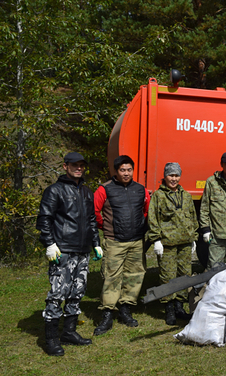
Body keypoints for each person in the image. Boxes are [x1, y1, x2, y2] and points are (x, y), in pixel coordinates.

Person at [36, 152, 102, 356]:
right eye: (74, 165)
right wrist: (49, 244)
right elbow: (44, 219)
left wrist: (96, 244)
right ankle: (52, 339)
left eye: (82, 165)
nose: (79, 168)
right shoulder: (54, 190)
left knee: (77, 292)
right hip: (62, 250)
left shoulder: (86, 191)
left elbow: (91, 219)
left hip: (82, 251)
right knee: (58, 293)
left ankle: (69, 332)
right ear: (65, 166)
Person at [93, 155, 150, 335]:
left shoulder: (141, 189)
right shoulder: (104, 189)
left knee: (134, 275)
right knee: (112, 277)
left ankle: (126, 309)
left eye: (129, 170)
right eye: (122, 170)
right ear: (115, 171)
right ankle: (108, 313)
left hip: (136, 241)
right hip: (114, 241)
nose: (126, 173)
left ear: (133, 171)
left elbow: (147, 211)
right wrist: (106, 227)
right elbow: (94, 212)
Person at [146, 162, 198, 325]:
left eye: (176, 175)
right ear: (165, 176)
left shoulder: (186, 195)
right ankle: (168, 309)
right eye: (171, 175)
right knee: (167, 276)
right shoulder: (158, 196)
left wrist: (194, 237)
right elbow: (152, 219)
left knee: (183, 275)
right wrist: (156, 240)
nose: (174, 179)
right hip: (167, 243)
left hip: (185, 242)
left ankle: (179, 307)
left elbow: (192, 216)